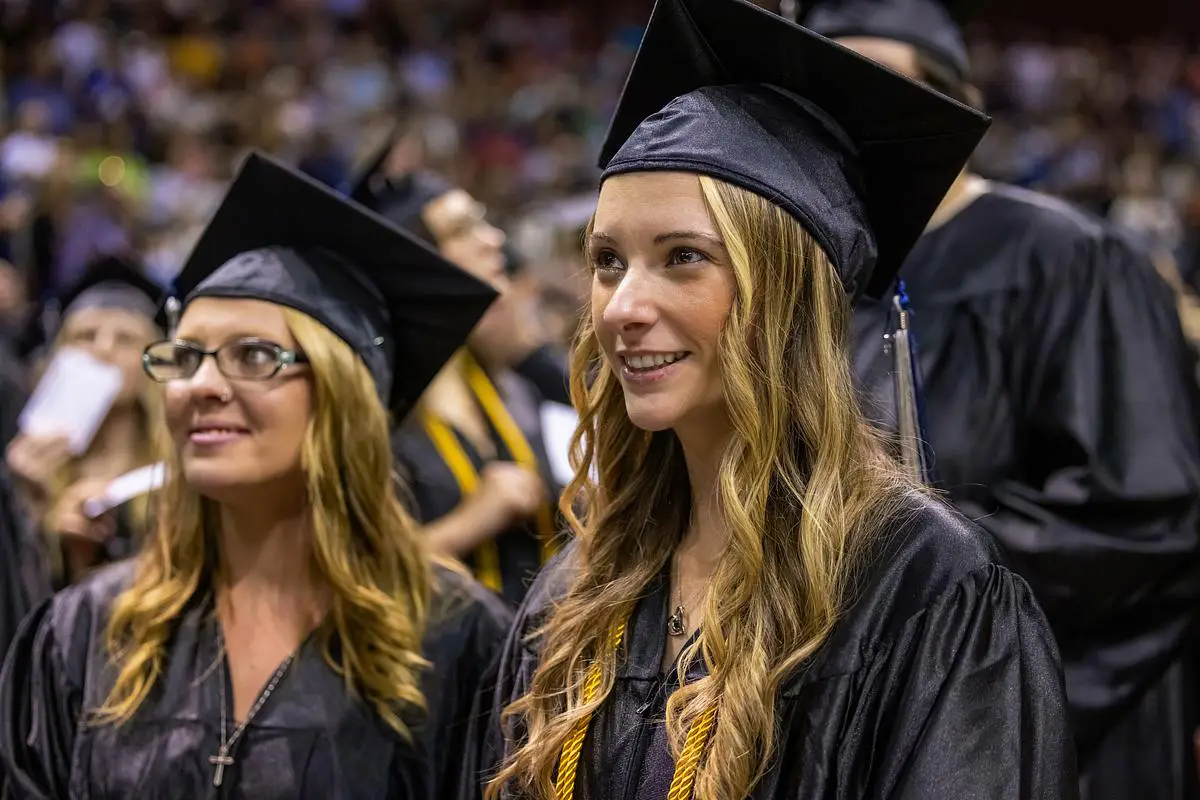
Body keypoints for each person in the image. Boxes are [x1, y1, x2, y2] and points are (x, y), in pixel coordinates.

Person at [483, 0, 1076, 798]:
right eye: (607, 260)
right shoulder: (577, 594)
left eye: (684, 257)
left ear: (789, 297)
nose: (622, 306)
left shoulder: (923, 591)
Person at [0, 152, 511, 799]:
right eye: (185, 356)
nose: (201, 385)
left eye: (254, 356)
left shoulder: (456, 639)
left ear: (341, 398)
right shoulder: (85, 633)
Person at [801, 1, 1200, 797]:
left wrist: (888, 552)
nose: (849, 110)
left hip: (1056, 720)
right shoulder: (823, 279)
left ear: (950, 105)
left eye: (878, 82)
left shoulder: (1070, 259)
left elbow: (1145, 515)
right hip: (875, 714)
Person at [350, 146, 566, 606]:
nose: (492, 240)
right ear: (414, 259)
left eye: (482, 220)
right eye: (462, 229)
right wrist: (470, 523)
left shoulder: (509, 388)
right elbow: (352, 582)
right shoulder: (373, 415)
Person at [5, 256, 165, 587]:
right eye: (85, 336)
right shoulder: (28, 468)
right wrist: (28, 509)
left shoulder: (172, 471)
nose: (103, 349)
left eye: (125, 339)